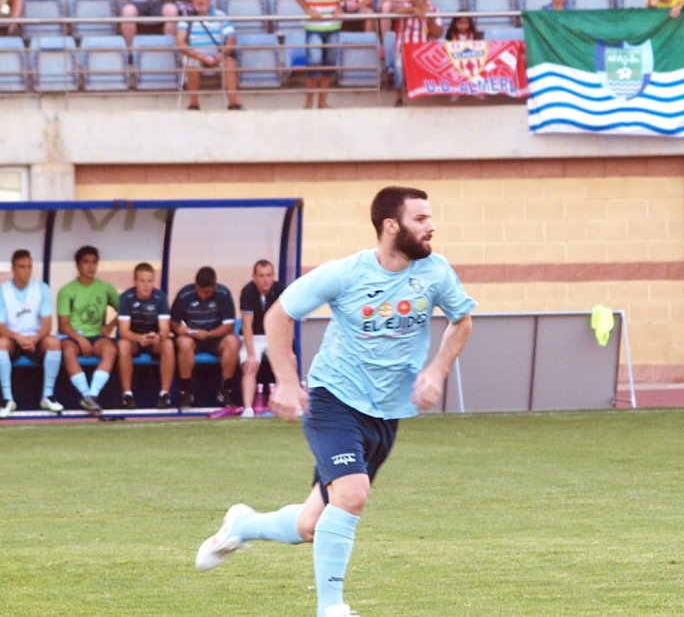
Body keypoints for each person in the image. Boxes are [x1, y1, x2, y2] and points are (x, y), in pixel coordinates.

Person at [194, 186, 475, 617]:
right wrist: (286, 383)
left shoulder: (435, 272)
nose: (431, 227)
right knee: (352, 494)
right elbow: (279, 315)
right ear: (391, 225)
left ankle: (242, 525)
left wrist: (436, 370)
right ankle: (332, 608)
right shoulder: (345, 273)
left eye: (430, 218)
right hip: (334, 399)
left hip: (387, 412)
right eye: (421, 219)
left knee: (312, 525)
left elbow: (462, 321)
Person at [57, 245, 120, 416]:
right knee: (68, 351)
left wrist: (111, 325)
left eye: (94, 262)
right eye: (86, 262)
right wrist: (79, 338)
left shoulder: (105, 287)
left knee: (111, 349)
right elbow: (63, 325)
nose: (91, 267)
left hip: (97, 336)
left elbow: (125, 310)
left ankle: (92, 395)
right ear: (77, 265)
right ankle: (85, 394)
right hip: (73, 336)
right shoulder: (67, 291)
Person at [0, 249, 63, 418]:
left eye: (29, 267)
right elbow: (0, 326)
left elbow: (47, 324)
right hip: (13, 339)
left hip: (36, 340)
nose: (26, 271)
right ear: (13, 268)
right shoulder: (3, 290)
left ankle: (47, 396)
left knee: (54, 342)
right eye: (22, 267)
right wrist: (18, 337)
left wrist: (34, 338)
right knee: (1, 344)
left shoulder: (41, 288)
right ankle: (7, 399)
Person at [171, 266, 239, 409]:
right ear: (196, 286)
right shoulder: (184, 294)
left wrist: (209, 334)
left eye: (207, 292)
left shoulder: (224, 293)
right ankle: (185, 391)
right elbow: (174, 323)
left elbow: (229, 326)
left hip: (215, 337)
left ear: (215, 285)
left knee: (233, 341)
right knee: (183, 343)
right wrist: (182, 330)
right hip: (192, 337)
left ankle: (226, 390)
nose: (203, 295)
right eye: (200, 291)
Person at [295, 0, 350, 110]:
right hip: (313, 26)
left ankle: (322, 102)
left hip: (333, 25)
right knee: (314, 62)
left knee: (329, 64)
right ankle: (309, 102)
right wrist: (308, 10)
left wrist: (340, 5)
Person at [117, 262, 175, 409]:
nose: (146, 285)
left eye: (150, 281)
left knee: (168, 343)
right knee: (123, 344)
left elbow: (165, 328)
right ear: (135, 281)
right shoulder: (126, 297)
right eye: (142, 281)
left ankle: (165, 394)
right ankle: (127, 394)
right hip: (134, 340)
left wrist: (158, 337)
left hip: (153, 340)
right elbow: (123, 330)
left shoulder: (160, 297)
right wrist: (139, 339)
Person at [177, 0, 243, 110]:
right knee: (192, 66)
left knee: (230, 64)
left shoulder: (220, 15)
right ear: (192, 1)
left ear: (209, 0)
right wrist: (199, 56)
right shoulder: (186, 18)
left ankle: (233, 104)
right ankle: (194, 105)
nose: (200, 1)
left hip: (218, 55)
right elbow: (180, 42)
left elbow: (231, 38)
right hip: (196, 55)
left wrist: (222, 54)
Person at [238, 259, 283, 418]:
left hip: (275, 336)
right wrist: (251, 354)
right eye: (261, 275)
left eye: (269, 275)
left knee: (286, 363)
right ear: (254, 277)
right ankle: (248, 408)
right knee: (251, 365)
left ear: (274, 276)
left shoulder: (281, 290)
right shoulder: (248, 291)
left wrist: (286, 349)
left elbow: (287, 321)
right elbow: (247, 326)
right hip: (254, 337)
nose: (265, 279)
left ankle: (286, 405)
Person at [391, 0, 442, 106]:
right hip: (404, 46)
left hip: (424, 48)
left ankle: (431, 94)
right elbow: (393, 9)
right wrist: (413, 10)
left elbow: (437, 34)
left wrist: (429, 18)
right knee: (398, 61)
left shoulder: (434, 10)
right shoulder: (406, 6)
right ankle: (400, 98)